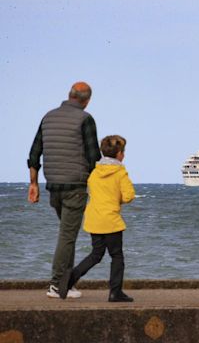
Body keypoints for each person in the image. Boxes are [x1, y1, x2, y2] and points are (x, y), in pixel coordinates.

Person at [28, 82, 101, 298]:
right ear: (87, 101)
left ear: (69, 95)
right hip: (75, 187)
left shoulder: (48, 117)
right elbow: (93, 156)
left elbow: (34, 153)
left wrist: (33, 184)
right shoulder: (85, 119)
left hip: (53, 187)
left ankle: (66, 284)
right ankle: (56, 284)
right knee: (67, 237)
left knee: (67, 236)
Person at [59, 135, 136, 302]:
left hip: (94, 219)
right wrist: (117, 199)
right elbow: (129, 196)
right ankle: (115, 292)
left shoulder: (94, 172)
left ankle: (71, 278)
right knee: (117, 256)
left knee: (96, 254)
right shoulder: (120, 172)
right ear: (119, 154)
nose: (124, 155)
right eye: (123, 152)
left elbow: (93, 193)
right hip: (110, 220)